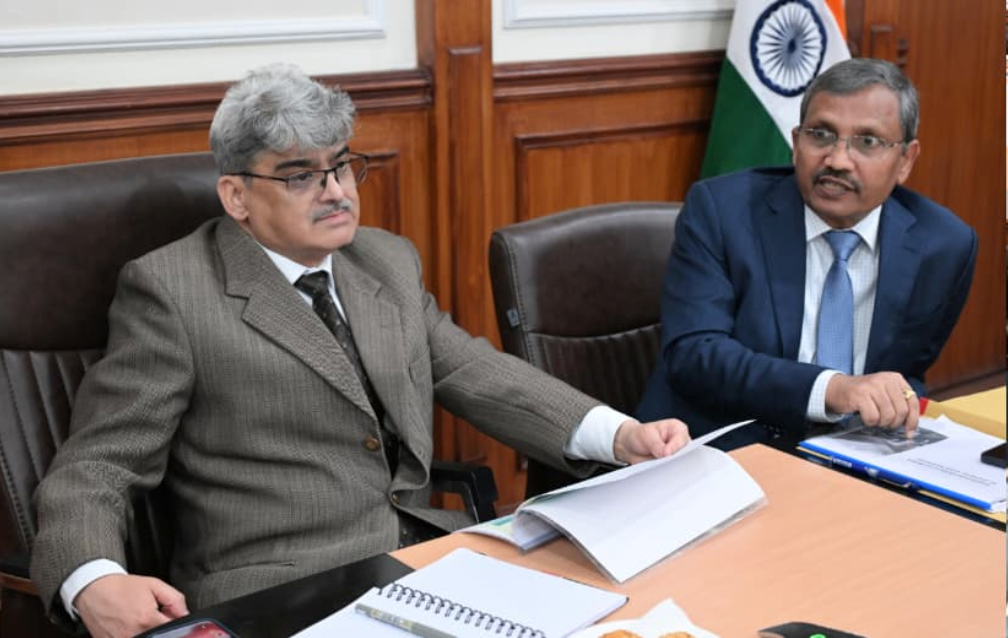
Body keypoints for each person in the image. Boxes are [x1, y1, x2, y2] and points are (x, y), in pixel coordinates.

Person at [30, 63, 691, 638]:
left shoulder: (384, 259)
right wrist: (93, 580)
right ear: (236, 196)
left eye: (342, 164)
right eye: (301, 176)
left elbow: (474, 369)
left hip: (424, 561)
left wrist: (618, 434)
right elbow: (99, 464)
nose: (337, 192)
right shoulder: (173, 291)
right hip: (282, 592)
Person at [635, 57, 976, 450]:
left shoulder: (944, 245)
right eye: (821, 135)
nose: (837, 160)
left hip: (857, 453)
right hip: (722, 447)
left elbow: (908, 371)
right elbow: (696, 356)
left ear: (906, 160)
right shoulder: (721, 211)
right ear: (796, 143)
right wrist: (832, 389)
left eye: (867, 142)